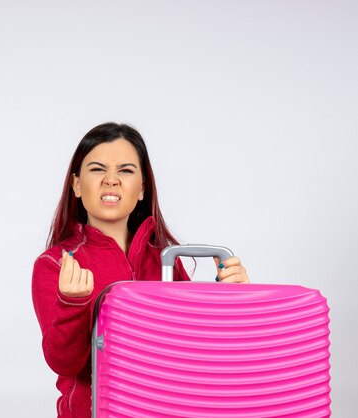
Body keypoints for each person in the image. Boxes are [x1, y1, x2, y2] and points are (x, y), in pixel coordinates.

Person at [31, 122, 250, 418]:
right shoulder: (56, 264)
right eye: (97, 169)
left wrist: (234, 301)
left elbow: (196, 352)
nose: (111, 181)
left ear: (143, 188)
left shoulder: (166, 260)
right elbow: (65, 364)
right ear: (77, 185)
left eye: (126, 170)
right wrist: (73, 305)